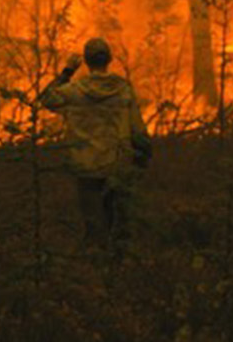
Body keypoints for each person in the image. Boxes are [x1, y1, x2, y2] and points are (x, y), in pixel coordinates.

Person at [40, 37, 151, 249]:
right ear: (109, 59)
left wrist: (67, 71)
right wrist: (143, 156)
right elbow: (138, 128)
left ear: (87, 62)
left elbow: (46, 99)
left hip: (85, 165)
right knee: (114, 220)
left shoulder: (75, 90)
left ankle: (93, 265)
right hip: (116, 163)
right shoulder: (123, 89)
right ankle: (112, 265)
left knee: (93, 221)